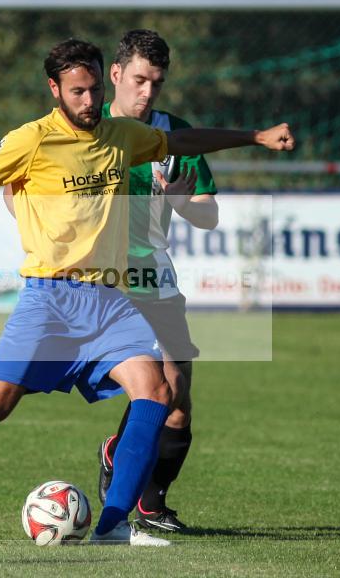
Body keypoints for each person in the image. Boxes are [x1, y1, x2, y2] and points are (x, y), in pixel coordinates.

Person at [0, 38, 294, 546]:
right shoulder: (31, 141)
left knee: (158, 392)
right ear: (55, 90)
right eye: (78, 92)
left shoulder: (123, 135)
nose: (89, 101)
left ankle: (114, 525)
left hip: (111, 302)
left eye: (95, 89)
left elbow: (186, 143)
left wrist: (256, 137)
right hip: (49, 302)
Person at [97, 29, 218, 533]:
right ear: (117, 75)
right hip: (100, 282)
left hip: (156, 279)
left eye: (157, 84)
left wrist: (180, 203)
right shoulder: (85, 127)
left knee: (178, 408)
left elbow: (207, 215)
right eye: (140, 80)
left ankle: (141, 486)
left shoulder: (175, 134)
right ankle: (136, 504)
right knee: (158, 390)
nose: (147, 93)